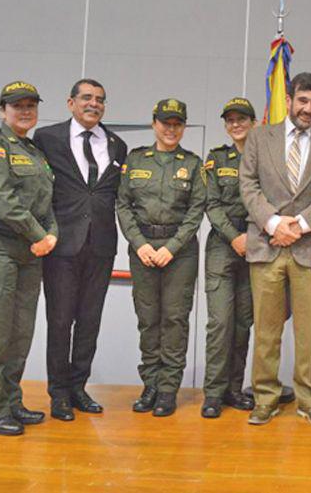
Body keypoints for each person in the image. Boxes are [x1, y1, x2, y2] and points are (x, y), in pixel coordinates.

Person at [240, 72, 311, 426]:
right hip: (266, 245)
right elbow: (248, 185)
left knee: (309, 331)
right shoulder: (258, 137)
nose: (309, 109)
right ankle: (265, 398)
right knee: (267, 330)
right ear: (288, 99)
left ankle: (309, 399)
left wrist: (297, 226)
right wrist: (274, 224)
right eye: (303, 101)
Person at [0, 81, 57, 435]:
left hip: (29, 255)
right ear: (3, 110)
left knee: (20, 336)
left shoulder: (35, 153)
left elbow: (48, 203)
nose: (24, 111)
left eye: (31, 105)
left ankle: (12, 402)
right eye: (17, 105)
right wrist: (41, 236)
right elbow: (3, 201)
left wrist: (51, 236)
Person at [33, 79, 127, 421]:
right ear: (70, 103)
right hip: (61, 244)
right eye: (86, 98)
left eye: (100, 100)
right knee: (59, 321)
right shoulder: (47, 139)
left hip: (101, 244)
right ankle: (57, 393)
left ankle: (78, 387)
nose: (94, 104)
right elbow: (30, 179)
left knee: (89, 321)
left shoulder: (117, 144)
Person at [116, 99, 206, 417]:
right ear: (154, 123)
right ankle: (150, 384)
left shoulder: (193, 165)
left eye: (177, 123)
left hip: (178, 251)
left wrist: (173, 246)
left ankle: (168, 389)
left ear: (183, 127)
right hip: (142, 248)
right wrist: (139, 244)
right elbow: (123, 205)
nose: (171, 129)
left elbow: (196, 211)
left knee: (175, 320)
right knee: (148, 319)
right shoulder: (136, 159)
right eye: (165, 122)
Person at [201, 97, 257, 418]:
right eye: (230, 120)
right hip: (223, 244)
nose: (236, 124)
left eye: (242, 119)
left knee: (242, 323)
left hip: (256, 244)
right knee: (220, 323)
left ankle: (234, 389)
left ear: (253, 122)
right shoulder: (215, 159)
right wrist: (235, 237)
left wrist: (251, 236)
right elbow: (212, 205)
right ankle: (213, 392)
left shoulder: (265, 159)